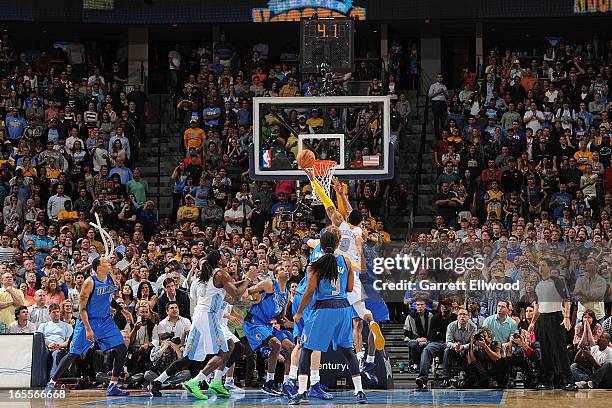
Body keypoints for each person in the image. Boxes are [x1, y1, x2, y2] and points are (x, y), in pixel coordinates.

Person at [149, 250, 257, 399]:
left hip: (200, 316)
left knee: (190, 357)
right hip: (209, 316)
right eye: (224, 257)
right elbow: (236, 294)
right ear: (219, 261)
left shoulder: (206, 276)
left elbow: (229, 288)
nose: (227, 258)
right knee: (226, 350)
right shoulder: (220, 273)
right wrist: (248, 279)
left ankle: (157, 381)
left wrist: (243, 283)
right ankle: (199, 381)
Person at [290, 227, 367, 405]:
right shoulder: (346, 261)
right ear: (338, 244)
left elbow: (309, 291)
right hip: (343, 309)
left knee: (307, 349)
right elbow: (348, 289)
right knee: (348, 351)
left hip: (323, 309)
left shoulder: (315, 265)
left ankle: (302, 391)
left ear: (321, 246)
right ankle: (360, 391)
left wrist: (300, 312)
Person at [45, 257, 131, 396]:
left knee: (121, 349)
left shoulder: (110, 277)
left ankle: (113, 385)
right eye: (105, 263)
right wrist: (88, 328)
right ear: (98, 268)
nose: (109, 264)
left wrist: (122, 310)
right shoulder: (89, 282)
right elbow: (82, 308)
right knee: (73, 353)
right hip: (87, 321)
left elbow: (109, 298)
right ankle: (52, 382)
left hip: (105, 321)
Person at [244, 263, 294, 395]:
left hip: (267, 325)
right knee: (276, 344)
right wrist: (252, 298)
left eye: (286, 268)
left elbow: (282, 319)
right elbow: (247, 292)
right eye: (283, 268)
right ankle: (269, 382)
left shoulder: (286, 294)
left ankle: (286, 384)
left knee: (291, 348)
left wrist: (299, 325)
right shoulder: (269, 284)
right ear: (276, 275)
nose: (286, 269)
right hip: (254, 322)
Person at [528, 258, 575, 390]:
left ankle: (568, 380)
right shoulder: (538, 285)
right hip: (542, 319)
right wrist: (533, 322)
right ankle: (548, 381)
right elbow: (537, 305)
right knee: (545, 351)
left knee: (559, 350)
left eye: (543, 265)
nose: (541, 267)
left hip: (555, 317)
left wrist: (566, 316)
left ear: (549, 267)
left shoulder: (557, 281)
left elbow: (567, 299)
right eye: (540, 265)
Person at [440, 307, 476, 387]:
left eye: (464, 314)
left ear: (468, 317)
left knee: (472, 350)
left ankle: (469, 378)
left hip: (467, 350)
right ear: (457, 317)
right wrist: (455, 345)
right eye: (460, 314)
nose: (462, 316)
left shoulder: (473, 327)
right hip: (455, 350)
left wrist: (463, 347)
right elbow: (448, 342)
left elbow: (474, 343)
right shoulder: (451, 326)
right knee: (447, 351)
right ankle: (445, 378)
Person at [37, 303, 73, 380]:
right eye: (54, 312)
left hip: (60, 348)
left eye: (57, 312)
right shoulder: (43, 325)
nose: (56, 314)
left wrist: (58, 346)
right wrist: (49, 345)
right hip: (46, 347)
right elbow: (40, 339)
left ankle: (53, 377)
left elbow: (68, 342)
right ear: (49, 313)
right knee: (42, 352)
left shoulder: (67, 326)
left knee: (56, 353)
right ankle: (39, 378)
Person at [428, 73, 449, 138]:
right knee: (436, 119)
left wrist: (444, 92)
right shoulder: (433, 86)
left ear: (442, 78)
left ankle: (443, 134)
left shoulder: (444, 86)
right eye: (438, 77)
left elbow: (447, 97)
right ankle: (437, 135)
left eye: (441, 77)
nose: (440, 78)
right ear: (436, 78)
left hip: (443, 103)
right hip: (436, 103)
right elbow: (430, 96)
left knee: (443, 120)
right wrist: (438, 92)